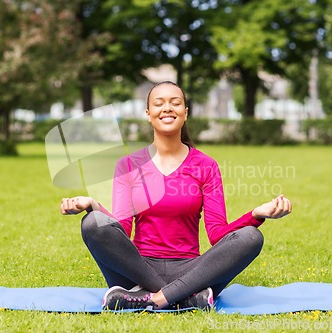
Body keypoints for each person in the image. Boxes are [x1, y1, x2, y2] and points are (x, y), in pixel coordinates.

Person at [60, 81, 292, 311]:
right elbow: (121, 229)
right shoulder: (128, 165)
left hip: (192, 271)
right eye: (159, 103)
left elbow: (217, 235)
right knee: (92, 223)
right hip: (138, 271)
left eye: (175, 103)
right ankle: (184, 298)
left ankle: (154, 299)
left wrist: (256, 215)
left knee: (251, 237)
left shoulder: (206, 166)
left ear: (185, 113)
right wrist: (94, 206)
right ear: (148, 114)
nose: (168, 108)